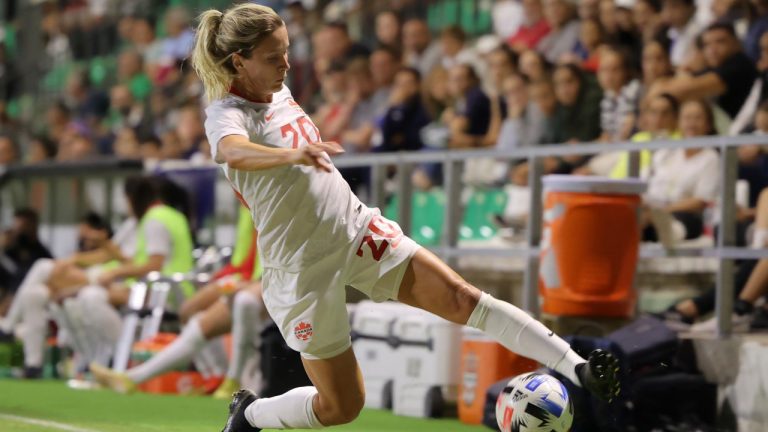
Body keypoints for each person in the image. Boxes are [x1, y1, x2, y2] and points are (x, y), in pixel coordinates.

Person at [191, 4, 620, 431]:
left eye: (286, 51)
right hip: (300, 267)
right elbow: (232, 151)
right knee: (342, 407)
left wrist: (579, 365)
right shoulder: (226, 114)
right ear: (238, 61)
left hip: (356, 229)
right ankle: (250, 415)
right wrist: (293, 154)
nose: (285, 63)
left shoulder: (279, 91)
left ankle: (574, 366)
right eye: (272, 57)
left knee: (462, 298)